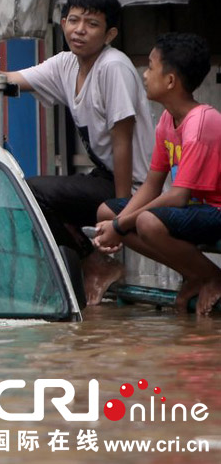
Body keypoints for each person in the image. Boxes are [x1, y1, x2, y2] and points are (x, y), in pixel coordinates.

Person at [4, 0, 155, 307]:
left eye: (92, 24)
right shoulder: (65, 64)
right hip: (107, 177)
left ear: (110, 33)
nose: (80, 30)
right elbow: (9, 80)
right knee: (28, 193)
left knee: (33, 191)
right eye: (74, 20)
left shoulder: (112, 67)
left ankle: (96, 265)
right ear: (63, 24)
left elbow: (122, 141)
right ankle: (94, 264)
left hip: (140, 186)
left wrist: (120, 212)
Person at [90, 33, 221, 315]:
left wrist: (121, 226)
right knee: (105, 212)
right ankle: (195, 274)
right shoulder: (166, 119)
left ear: (171, 81)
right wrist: (117, 223)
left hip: (216, 208)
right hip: (196, 207)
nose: (145, 75)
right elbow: (152, 185)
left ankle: (213, 276)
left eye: (150, 67)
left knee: (148, 222)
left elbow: (177, 196)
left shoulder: (200, 123)